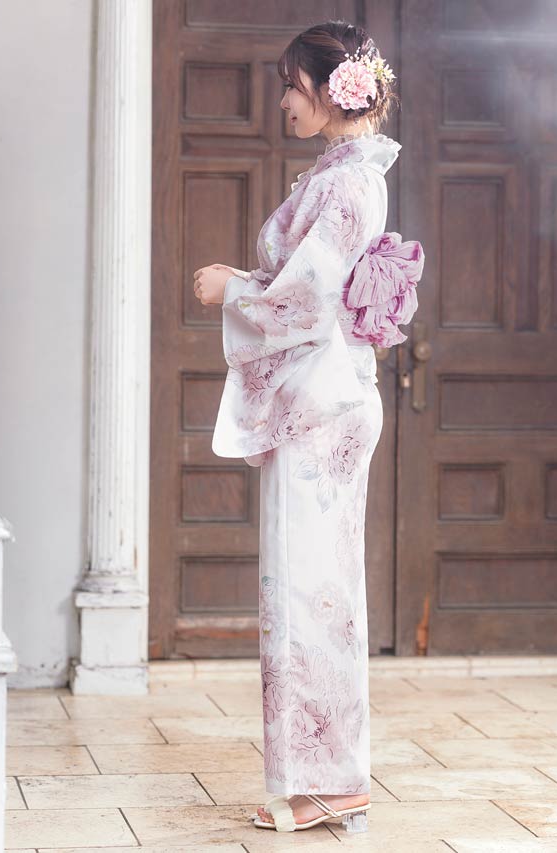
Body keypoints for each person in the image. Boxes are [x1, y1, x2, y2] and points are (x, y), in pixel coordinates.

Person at [193, 20, 424, 834]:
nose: (285, 103)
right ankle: (323, 778)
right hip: (325, 397)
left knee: (309, 591)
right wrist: (248, 280)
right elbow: (305, 285)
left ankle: (326, 781)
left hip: (322, 406)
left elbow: (307, 299)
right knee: (313, 588)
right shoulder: (343, 174)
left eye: (292, 87)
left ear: (332, 92)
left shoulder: (348, 184)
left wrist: (232, 289)